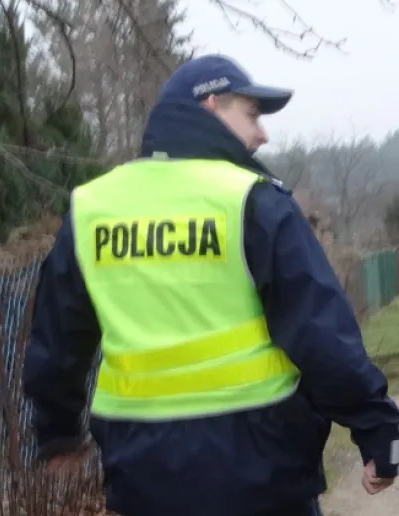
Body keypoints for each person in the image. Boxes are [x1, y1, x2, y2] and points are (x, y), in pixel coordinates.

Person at [21, 54, 399, 516]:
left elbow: (57, 335)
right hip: (260, 475)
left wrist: (57, 431)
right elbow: (320, 333)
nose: (262, 134)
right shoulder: (250, 199)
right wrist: (378, 430)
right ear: (211, 105)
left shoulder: (92, 207)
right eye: (252, 116)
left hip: (142, 478)